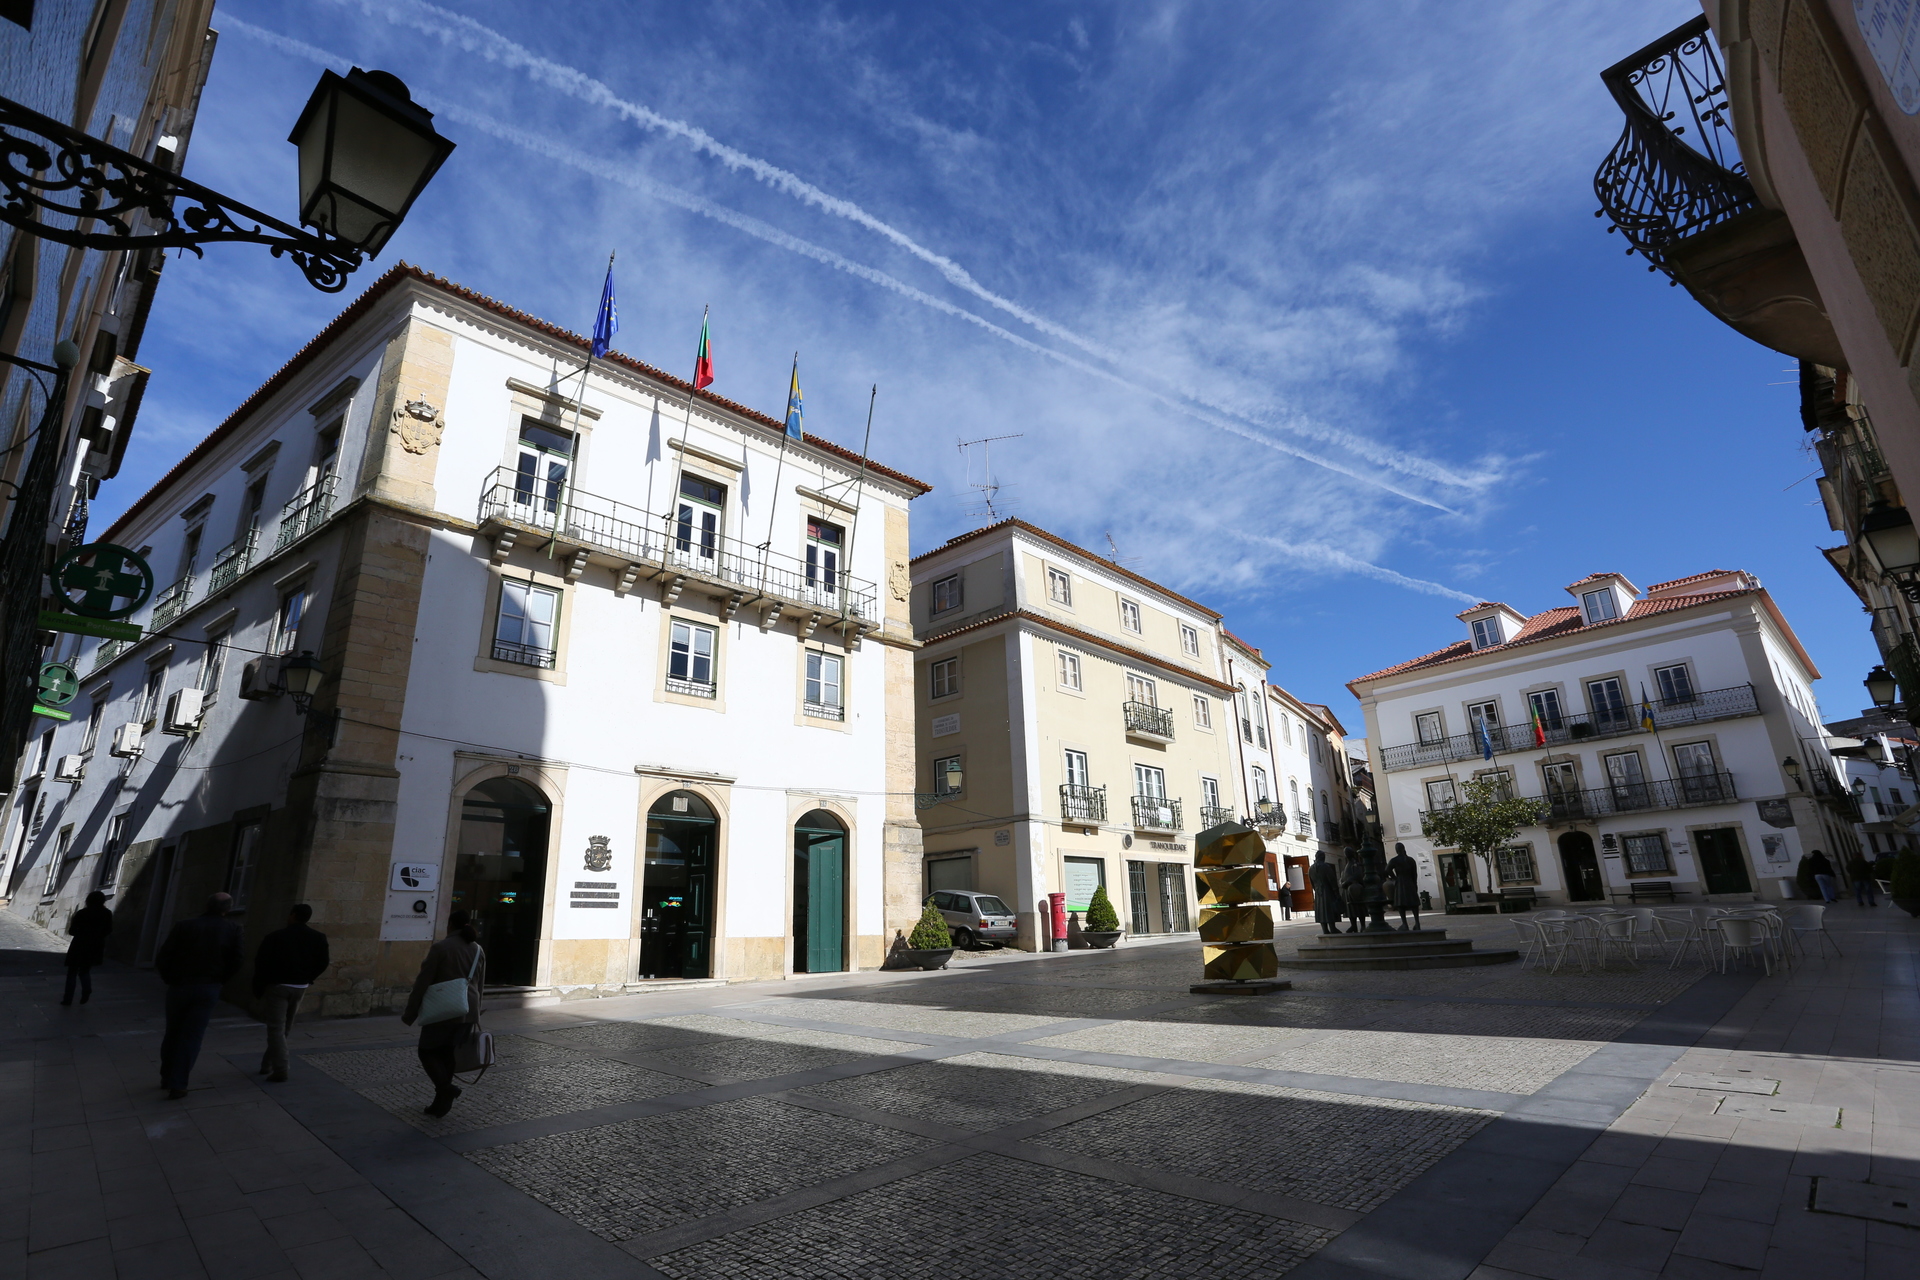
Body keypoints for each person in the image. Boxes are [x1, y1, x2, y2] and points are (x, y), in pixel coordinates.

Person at [155, 893, 244, 1099]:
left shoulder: (185, 926)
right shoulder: (233, 929)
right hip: (208, 986)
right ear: (228, 909)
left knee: (173, 1032)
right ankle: (178, 1082)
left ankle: (167, 1076)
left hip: (180, 985)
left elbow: (164, 956)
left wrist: (170, 978)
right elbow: (237, 960)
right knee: (192, 1035)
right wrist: (221, 980)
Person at [401, 910, 485, 1118]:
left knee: (427, 1051)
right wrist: (477, 1012)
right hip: (468, 1009)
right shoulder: (477, 949)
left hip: (444, 1008)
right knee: (448, 1053)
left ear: (450, 925)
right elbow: (480, 984)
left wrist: (410, 1012)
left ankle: (445, 1089)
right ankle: (441, 1102)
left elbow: (423, 982)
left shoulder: (441, 948)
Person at [251, 904, 331, 1083]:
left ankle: (280, 1068)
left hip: (279, 985)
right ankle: (267, 1063)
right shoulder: (318, 937)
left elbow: (261, 963)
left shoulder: (276, 937)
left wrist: (259, 986)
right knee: (284, 1027)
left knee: (276, 1028)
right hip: (300, 986)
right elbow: (323, 962)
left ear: (293, 915)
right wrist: (309, 977)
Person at [61, 890, 113, 1005]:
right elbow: (108, 930)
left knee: (72, 972)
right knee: (84, 970)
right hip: (95, 946)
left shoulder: (82, 913)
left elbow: (72, 931)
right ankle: (86, 988)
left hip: (79, 945)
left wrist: (81, 932)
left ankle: (68, 999)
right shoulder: (107, 913)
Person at [1387, 843, 1422, 932]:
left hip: (1400, 882)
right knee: (1414, 903)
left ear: (1397, 850)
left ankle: (1404, 924)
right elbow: (1414, 874)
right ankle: (1417, 923)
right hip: (1410, 882)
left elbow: (1387, 870)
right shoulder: (1411, 860)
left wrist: (1395, 878)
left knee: (1400, 904)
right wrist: (1414, 884)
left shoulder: (1394, 860)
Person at [1309, 850, 1343, 936]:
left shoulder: (1311, 868)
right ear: (1323, 857)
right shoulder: (1326, 867)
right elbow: (1332, 881)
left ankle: (1325, 929)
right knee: (1329, 909)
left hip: (1318, 893)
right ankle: (1333, 928)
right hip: (1328, 891)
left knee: (1321, 911)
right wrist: (1337, 893)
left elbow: (1311, 883)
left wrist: (1316, 890)